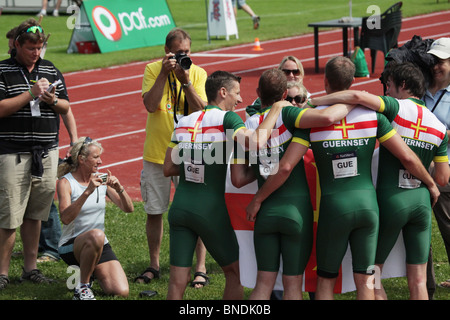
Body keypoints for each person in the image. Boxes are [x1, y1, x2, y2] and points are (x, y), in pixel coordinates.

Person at [309, 59, 444, 300]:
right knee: (418, 280)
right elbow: (441, 176)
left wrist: (314, 101)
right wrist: (430, 182)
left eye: (389, 85)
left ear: (402, 85)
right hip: (419, 202)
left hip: (386, 201)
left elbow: (356, 97)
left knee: (369, 275)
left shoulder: (393, 108)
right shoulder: (438, 126)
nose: (387, 91)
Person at [233, 68, 357, 300]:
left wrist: (264, 174)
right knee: (292, 286)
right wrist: (354, 100)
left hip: (264, 213)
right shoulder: (290, 115)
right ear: (284, 95)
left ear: (259, 93)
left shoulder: (247, 124)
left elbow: (238, 178)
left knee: (262, 286)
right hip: (295, 212)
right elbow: (328, 118)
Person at [163, 70, 288, 299]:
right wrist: (276, 109)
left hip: (180, 207)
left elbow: (168, 168)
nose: (240, 100)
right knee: (235, 272)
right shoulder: (227, 119)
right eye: (237, 93)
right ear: (223, 92)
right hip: (208, 209)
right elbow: (255, 142)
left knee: (177, 280)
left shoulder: (184, 121)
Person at [0, 19, 70, 290]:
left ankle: (31, 268)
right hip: (12, 154)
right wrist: (30, 93)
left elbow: (65, 106)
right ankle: (3, 272)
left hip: (46, 152)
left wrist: (52, 100)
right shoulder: (3, 70)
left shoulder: (50, 68)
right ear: (17, 44)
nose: (36, 53)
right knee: (9, 216)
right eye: (31, 48)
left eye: (39, 48)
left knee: (36, 214)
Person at [139, 28, 209, 287]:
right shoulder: (152, 69)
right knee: (154, 211)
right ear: (166, 51)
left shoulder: (198, 72)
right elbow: (149, 104)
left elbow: (201, 109)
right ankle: (154, 264)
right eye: (178, 53)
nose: (183, 57)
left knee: (197, 210)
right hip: (157, 153)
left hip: (191, 152)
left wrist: (186, 80)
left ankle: (200, 267)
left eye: (187, 52)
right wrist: (164, 74)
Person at [57, 137, 134, 300]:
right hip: (71, 244)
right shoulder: (66, 182)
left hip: (98, 244)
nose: (100, 161)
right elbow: (65, 218)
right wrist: (87, 192)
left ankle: (89, 273)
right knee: (97, 235)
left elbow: (128, 209)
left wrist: (120, 189)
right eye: (96, 157)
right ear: (81, 159)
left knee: (121, 291)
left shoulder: (102, 179)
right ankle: (83, 287)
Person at [423, 37, 450, 292]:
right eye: (433, 60)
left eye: (441, 61)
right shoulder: (419, 89)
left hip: (445, 173)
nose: (435, 66)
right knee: (422, 235)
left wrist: (434, 133)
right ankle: (425, 287)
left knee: (449, 229)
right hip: (419, 171)